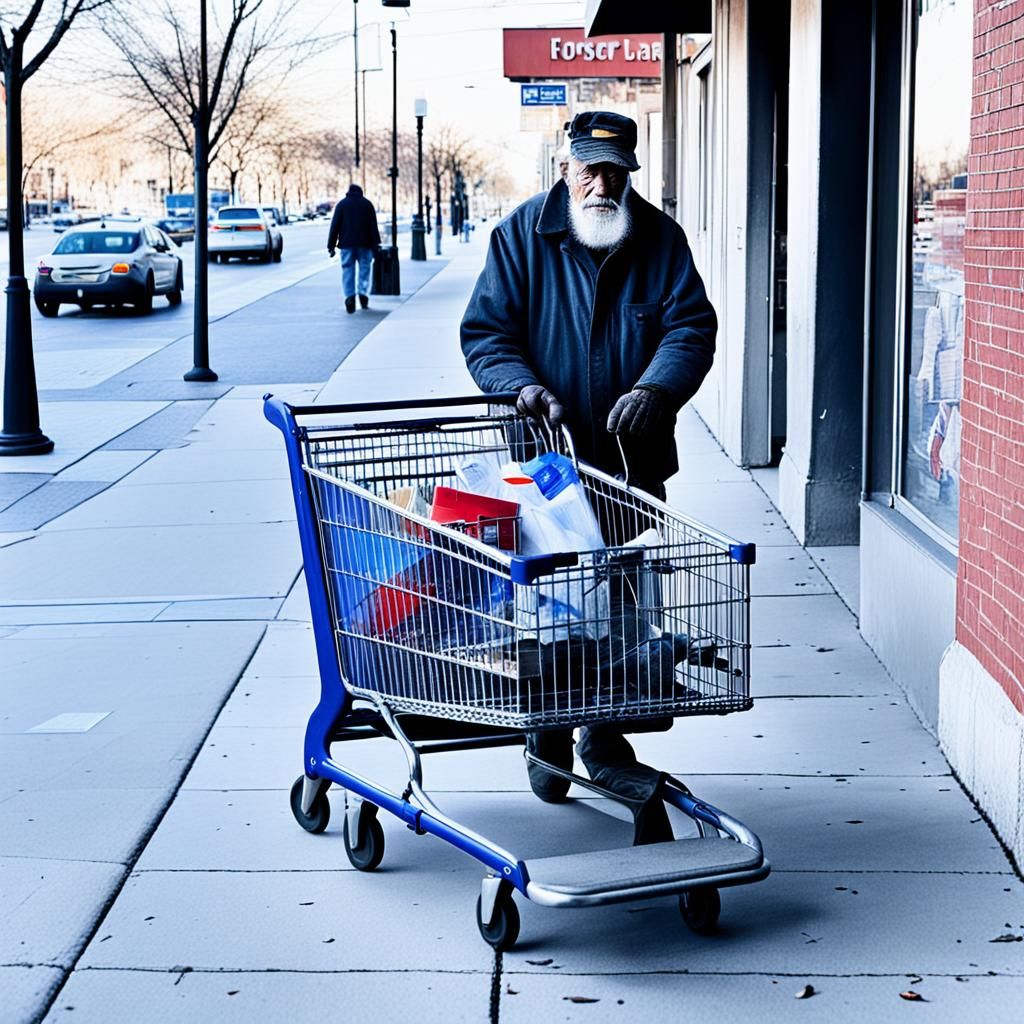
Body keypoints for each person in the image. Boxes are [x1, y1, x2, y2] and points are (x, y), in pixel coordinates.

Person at [460, 110, 717, 844]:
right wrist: (518, 386)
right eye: (588, 169)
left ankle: (604, 736)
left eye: (614, 171)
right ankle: (547, 729)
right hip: (544, 467)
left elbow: (691, 327)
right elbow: (486, 333)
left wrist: (658, 388)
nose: (601, 184)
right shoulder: (520, 236)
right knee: (549, 609)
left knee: (623, 607)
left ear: (631, 172)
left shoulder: (660, 239)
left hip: (630, 466)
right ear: (564, 168)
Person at [327, 184, 382, 314]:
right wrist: (376, 247)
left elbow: (335, 226)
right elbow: (373, 227)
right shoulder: (367, 205)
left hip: (347, 244)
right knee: (364, 270)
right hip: (365, 244)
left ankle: (350, 297)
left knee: (348, 270)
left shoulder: (342, 205)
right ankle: (363, 294)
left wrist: (331, 246)